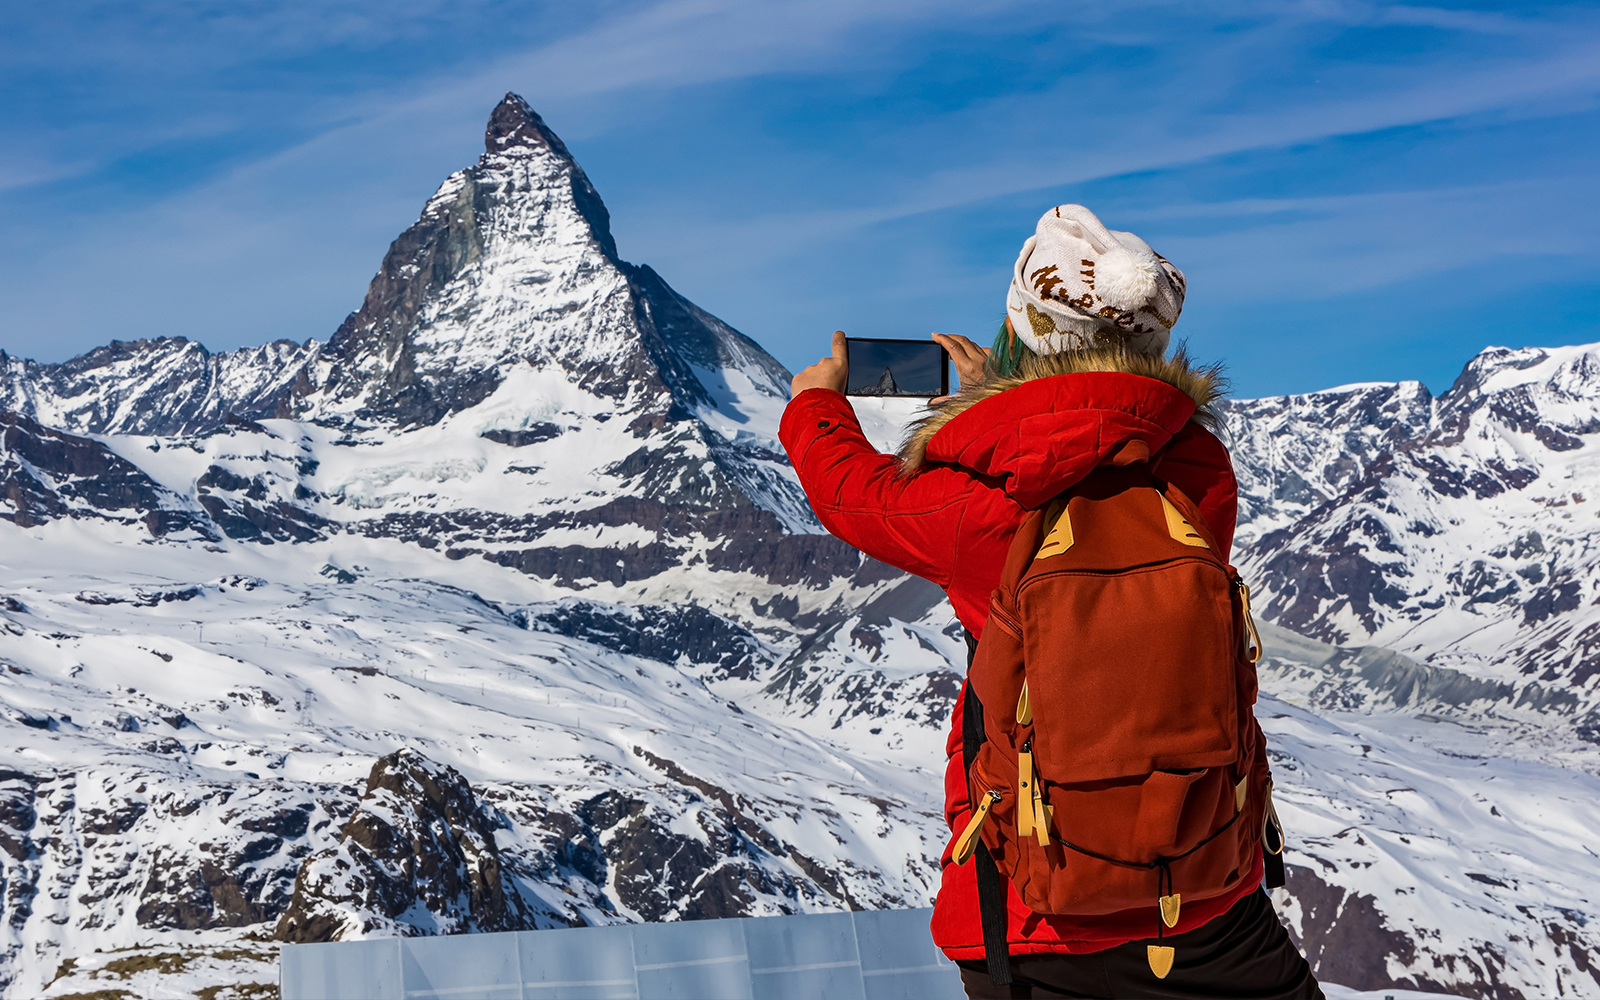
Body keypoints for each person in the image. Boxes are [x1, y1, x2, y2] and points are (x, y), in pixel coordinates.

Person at [779, 205, 1321, 999]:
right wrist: (1003, 401)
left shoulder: (982, 505)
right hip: (1208, 892)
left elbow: (856, 496)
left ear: (1024, 333)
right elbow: (1100, 433)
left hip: (1038, 918)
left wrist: (815, 405)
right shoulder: (1201, 476)